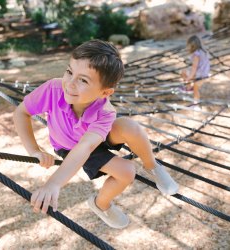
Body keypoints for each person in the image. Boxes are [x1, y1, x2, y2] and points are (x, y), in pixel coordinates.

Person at [13, 39, 179, 229]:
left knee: (130, 127)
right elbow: (21, 112)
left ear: (105, 92)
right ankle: (101, 204)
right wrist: (35, 150)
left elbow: (88, 144)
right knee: (127, 172)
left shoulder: (105, 112)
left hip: (92, 139)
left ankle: (152, 166)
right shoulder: (54, 89)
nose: (70, 83)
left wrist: (54, 182)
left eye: (83, 80)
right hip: (70, 146)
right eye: (69, 72)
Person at [180, 35, 210, 104]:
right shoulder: (203, 51)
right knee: (196, 89)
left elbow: (194, 68)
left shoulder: (196, 55)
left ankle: (188, 87)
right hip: (205, 73)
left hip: (199, 75)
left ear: (192, 46)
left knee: (183, 72)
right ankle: (194, 101)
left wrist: (188, 78)